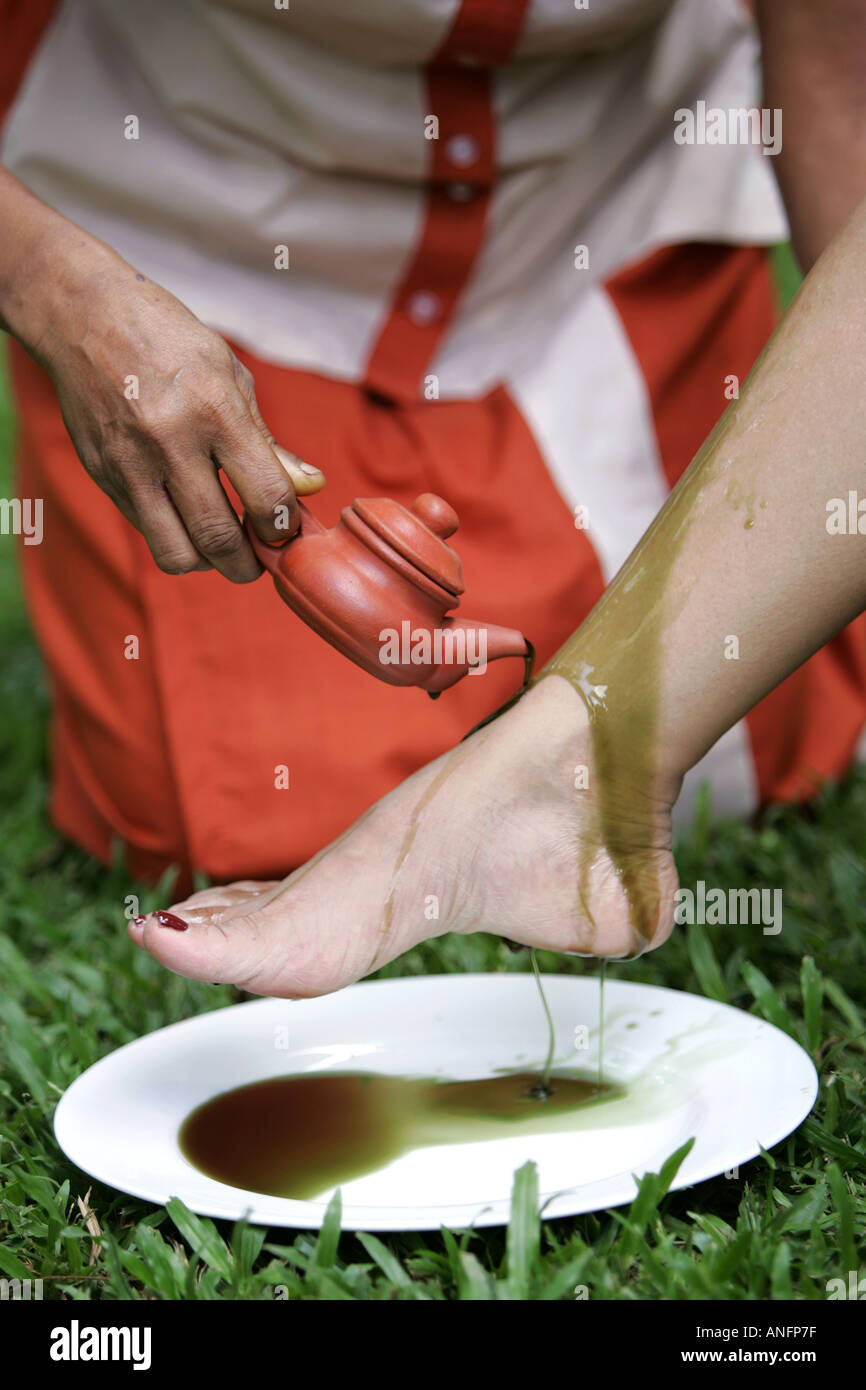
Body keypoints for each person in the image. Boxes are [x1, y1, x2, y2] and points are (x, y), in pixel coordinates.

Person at [1, 2, 864, 894]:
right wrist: (54, 295)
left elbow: (837, 74)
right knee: (275, 819)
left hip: (593, 222)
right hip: (199, 256)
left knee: (731, 737)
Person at [131, 187, 866, 993]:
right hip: (207, 264)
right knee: (261, 793)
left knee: (759, 736)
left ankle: (567, 766)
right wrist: (63, 296)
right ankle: (534, 781)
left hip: (587, 237)